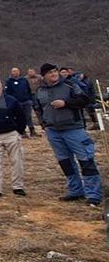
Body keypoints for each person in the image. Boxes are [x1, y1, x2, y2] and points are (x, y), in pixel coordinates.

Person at [34, 63, 103, 207]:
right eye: (50, 72)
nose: (54, 74)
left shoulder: (70, 85)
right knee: (66, 162)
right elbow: (38, 108)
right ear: (44, 76)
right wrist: (44, 124)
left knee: (86, 160)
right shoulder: (40, 90)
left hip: (74, 129)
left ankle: (94, 194)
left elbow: (84, 100)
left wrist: (65, 103)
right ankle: (75, 191)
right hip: (53, 131)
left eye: (55, 71)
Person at [5, 67, 37, 137]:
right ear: (11, 72)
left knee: (28, 117)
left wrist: (30, 99)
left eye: (17, 71)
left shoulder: (24, 80)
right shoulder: (9, 81)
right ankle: (22, 131)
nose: (15, 72)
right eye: (14, 71)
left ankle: (32, 131)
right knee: (19, 117)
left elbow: (28, 90)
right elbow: (7, 93)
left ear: (19, 72)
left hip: (26, 101)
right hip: (16, 103)